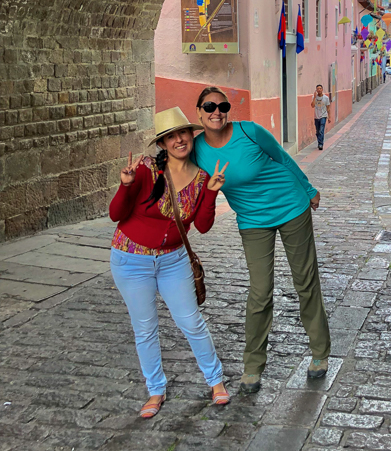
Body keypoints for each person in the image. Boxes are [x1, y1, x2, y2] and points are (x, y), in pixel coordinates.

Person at [193, 87, 330, 395]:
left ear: (228, 110)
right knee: (259, 291)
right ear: (199, 113)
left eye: (222, 105)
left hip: (290, 206)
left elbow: (281, 157)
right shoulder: (197, 149)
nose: (217, 111)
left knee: (305, 282)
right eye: (209, 106)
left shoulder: (250, 131)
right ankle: (253, 366)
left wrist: (308, 190)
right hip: (253, 221)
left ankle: (320, 351)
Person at [109, 107, 230, 419]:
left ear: (191, 136)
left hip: (174, 260)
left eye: (183, 133)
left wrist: (212, 193)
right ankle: (155, 390)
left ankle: (215, 381)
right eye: (171, 136)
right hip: (131, 259)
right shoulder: (147, 172)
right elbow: (116, 214)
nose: (179, 139)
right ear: (162, 143)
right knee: (145, 328)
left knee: (191, 321)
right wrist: (125, 184)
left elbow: (202, 225)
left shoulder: (203, 177)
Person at [311, 84, 332, 151]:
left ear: (322, 89)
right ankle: (319, 141)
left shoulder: (326, 98)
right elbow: (312, 106)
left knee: (321, 130)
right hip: (316, 116)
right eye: (318, 89)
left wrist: (329, 117)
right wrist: (314, 97)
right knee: (317, 132)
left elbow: (328, 108)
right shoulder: (314, 97)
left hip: (323, 116)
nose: (319, 90)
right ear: (316, 90)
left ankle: (321, 144)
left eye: (320, 88)